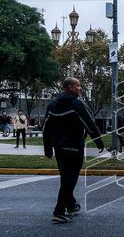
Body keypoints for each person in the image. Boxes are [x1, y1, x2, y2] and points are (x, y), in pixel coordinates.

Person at [42, 77, 105, 224]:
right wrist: (99, 142)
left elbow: (46, 129)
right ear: (70, 87)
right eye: (78, 86)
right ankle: (59, 211)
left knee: (66, 178)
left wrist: (47, 148)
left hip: (59, 148)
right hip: (74, 147)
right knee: (70, 179)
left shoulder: (52, 105)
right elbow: (89, 124)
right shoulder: (76, 104)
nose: (80, 88)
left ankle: (70, 204)